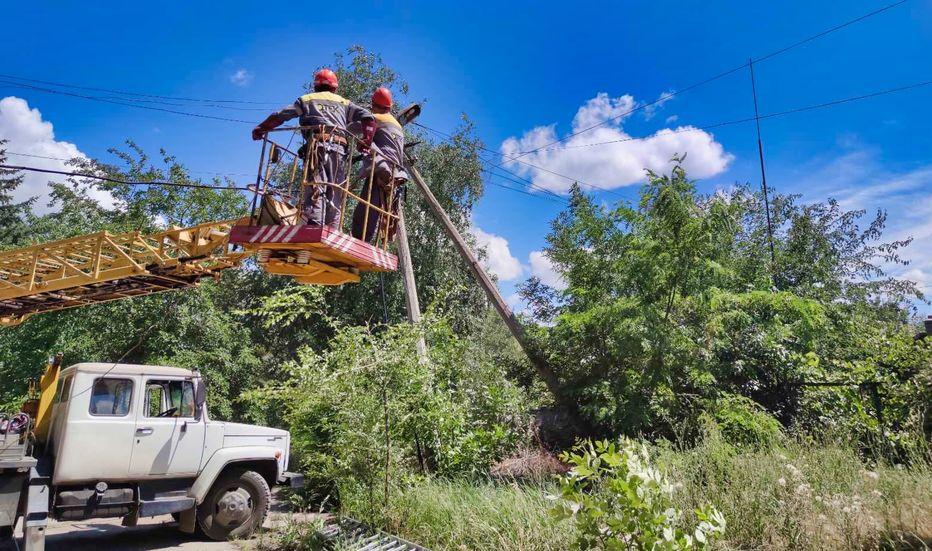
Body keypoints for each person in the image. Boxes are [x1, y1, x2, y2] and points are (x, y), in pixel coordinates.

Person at [252, 68, 375, 228]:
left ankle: (314, 227)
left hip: (318, 148)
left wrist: (261, 128)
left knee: (316, 186)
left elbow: (280, 115)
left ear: (315, 86)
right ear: (335, 87)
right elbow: (368, 117)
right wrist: (366, 140)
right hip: (339, 151)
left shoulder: (307, 99)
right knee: (336, 189)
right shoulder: (344, 103)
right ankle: (332, 228)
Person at [351, 87, 408, 243]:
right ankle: (364, 240)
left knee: (365, 212)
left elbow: (350, 128)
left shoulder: (376, 118)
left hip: (381, 170)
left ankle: (360, 241)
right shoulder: (397, 125)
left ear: (374, 104)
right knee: (374, 211)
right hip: (394, 174)